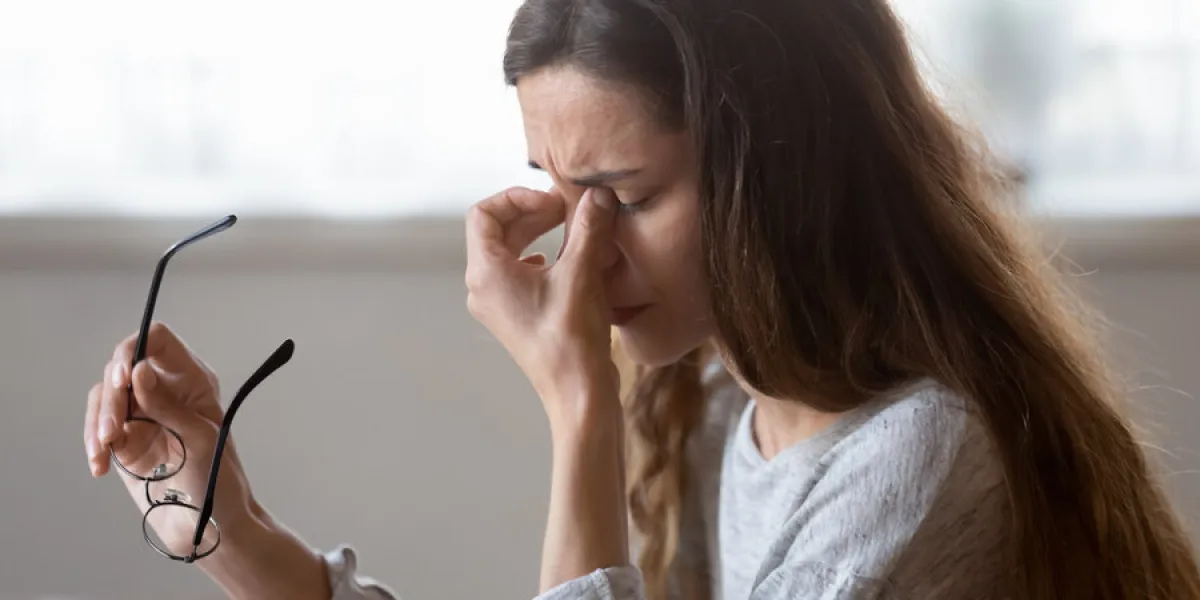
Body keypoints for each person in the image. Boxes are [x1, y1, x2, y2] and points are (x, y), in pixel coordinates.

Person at [83, 0, 1200, 598]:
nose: (581, 248)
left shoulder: (915, 461)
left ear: (782, 174)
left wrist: (582, 413)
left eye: (625, 193)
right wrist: (230, 529)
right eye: (556, 191)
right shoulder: (721, 402)